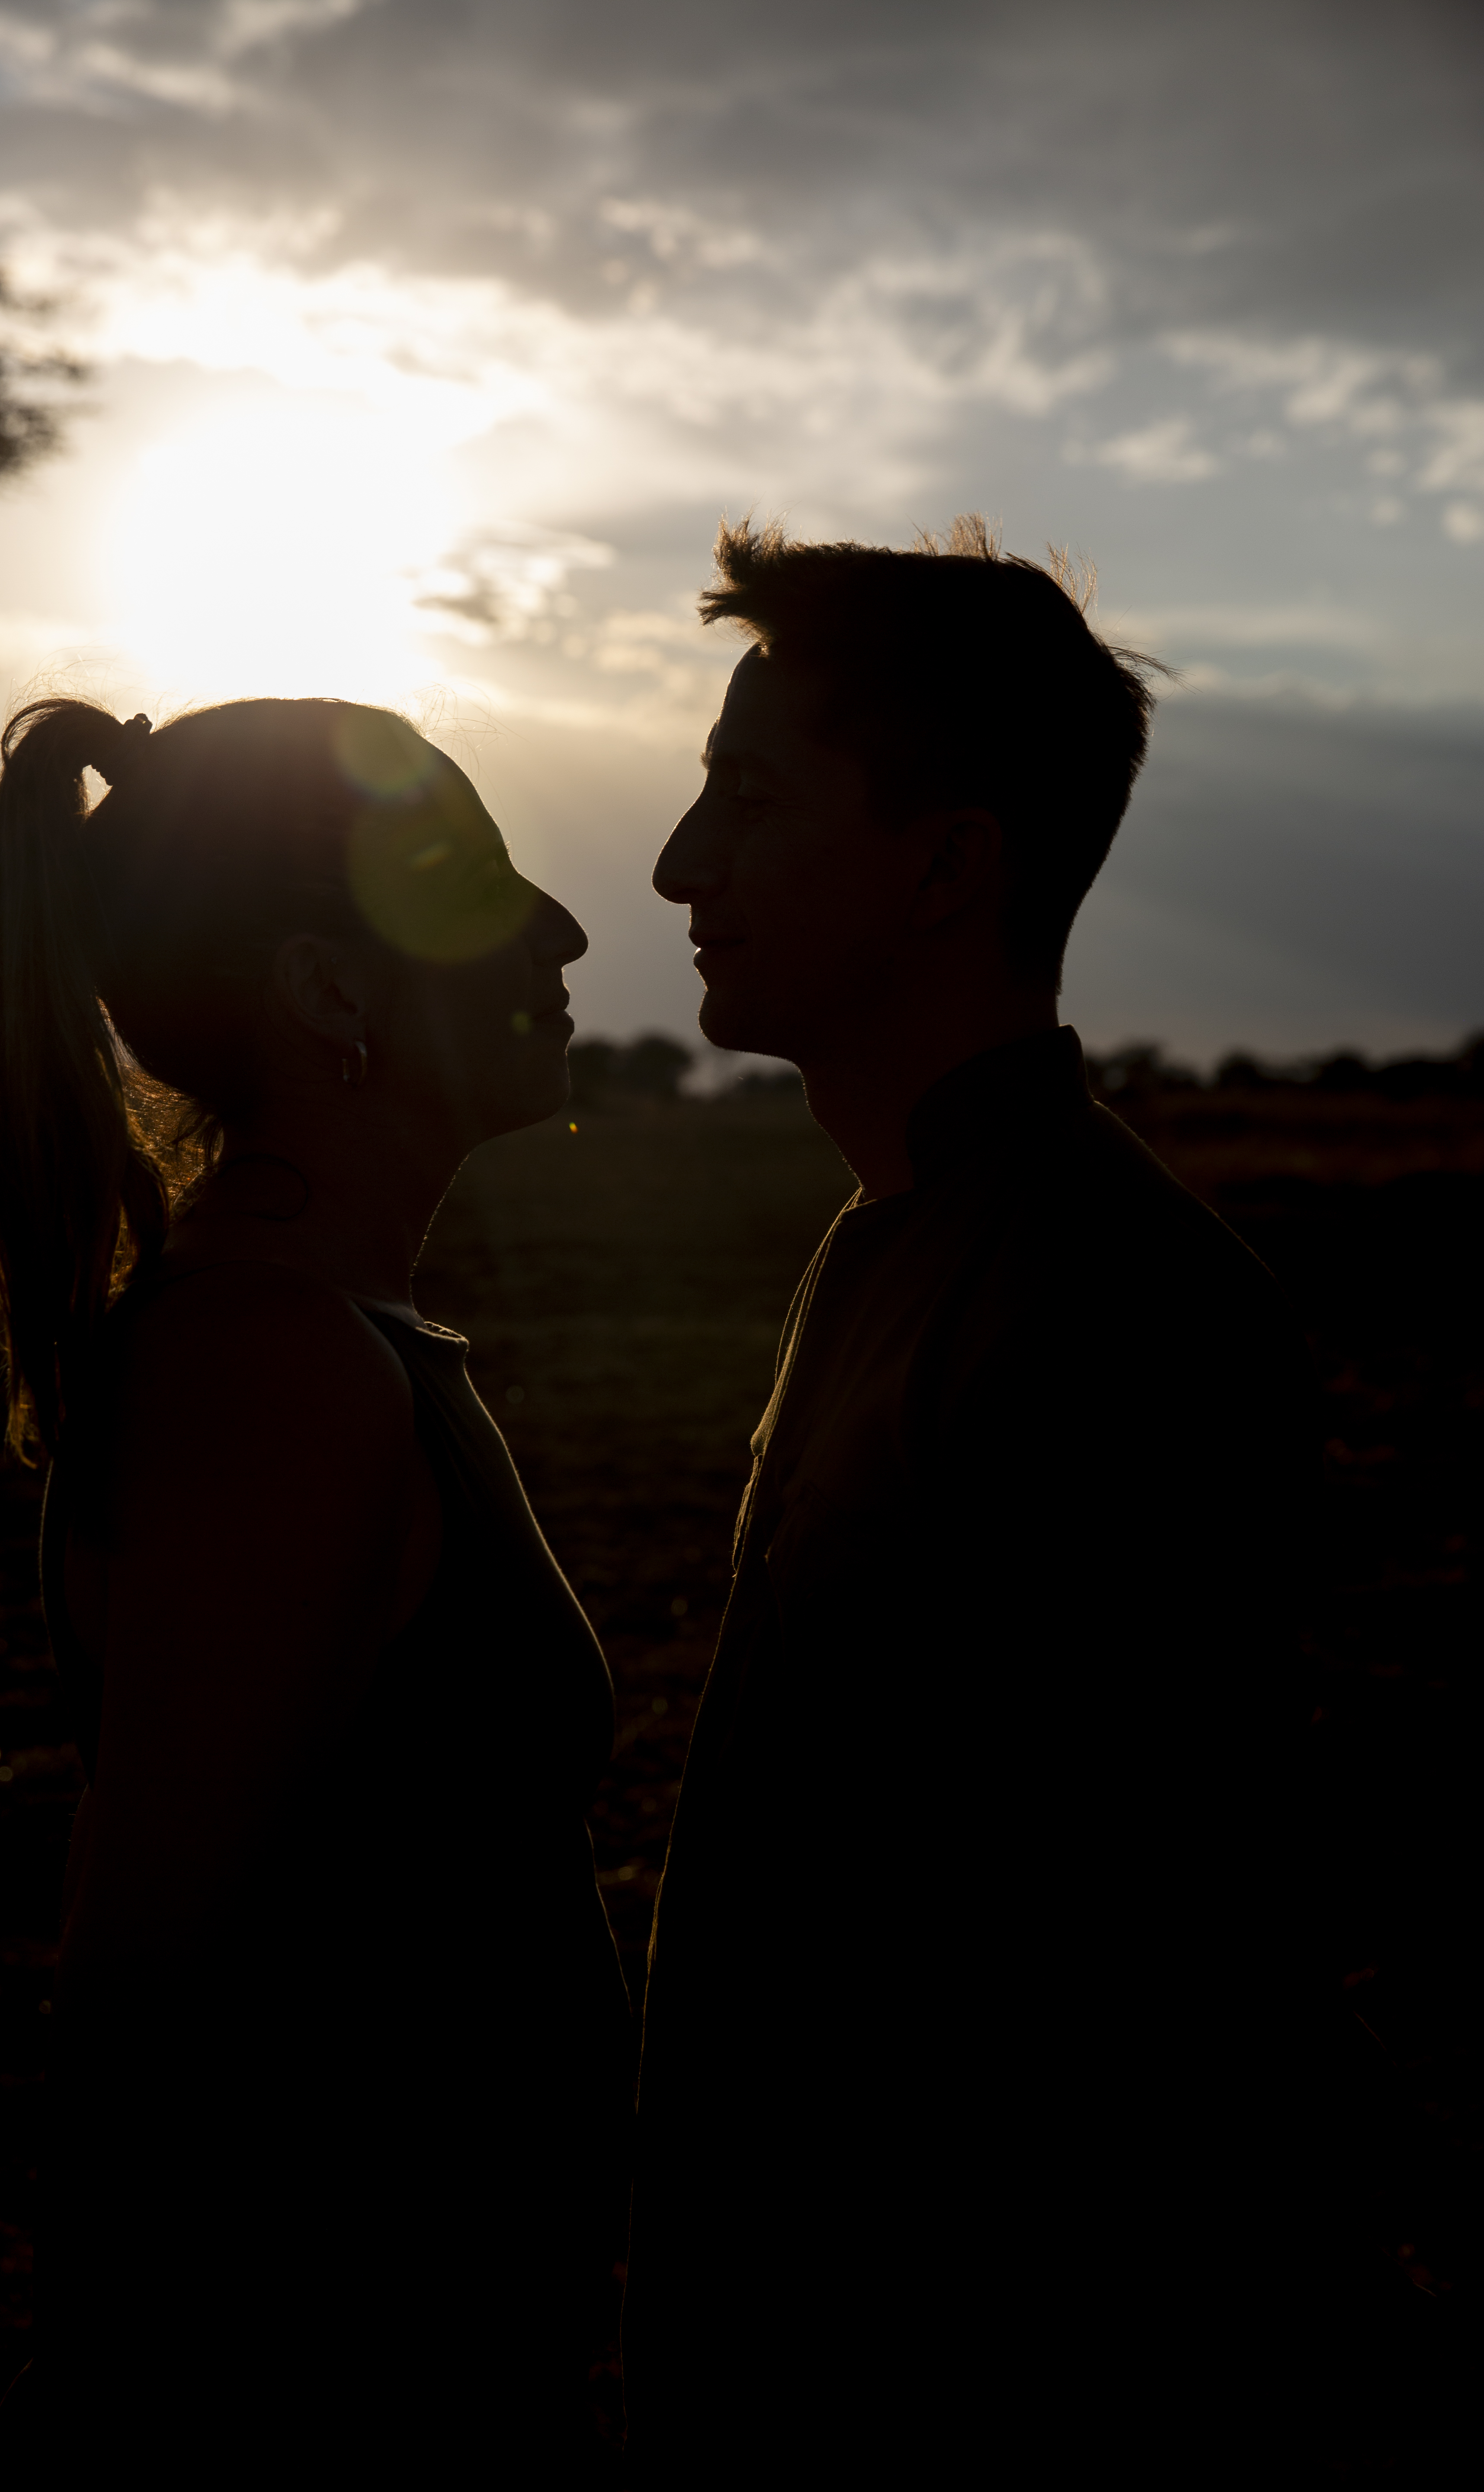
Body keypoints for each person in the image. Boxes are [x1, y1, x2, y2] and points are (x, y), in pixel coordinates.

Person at [624, 519, 1323, 2480]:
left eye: (750, 801)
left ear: (948, 869)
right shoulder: (902, 1236)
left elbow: (1133, 2017)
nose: (678, 866)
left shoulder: (1120, 1312)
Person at [0, 696, 631, 2476]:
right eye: (472, 881)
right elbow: (145, 1970)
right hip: (317, 2423)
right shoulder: (273, 1368)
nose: (564, 929)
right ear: (329, 989)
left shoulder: (330, 1336)